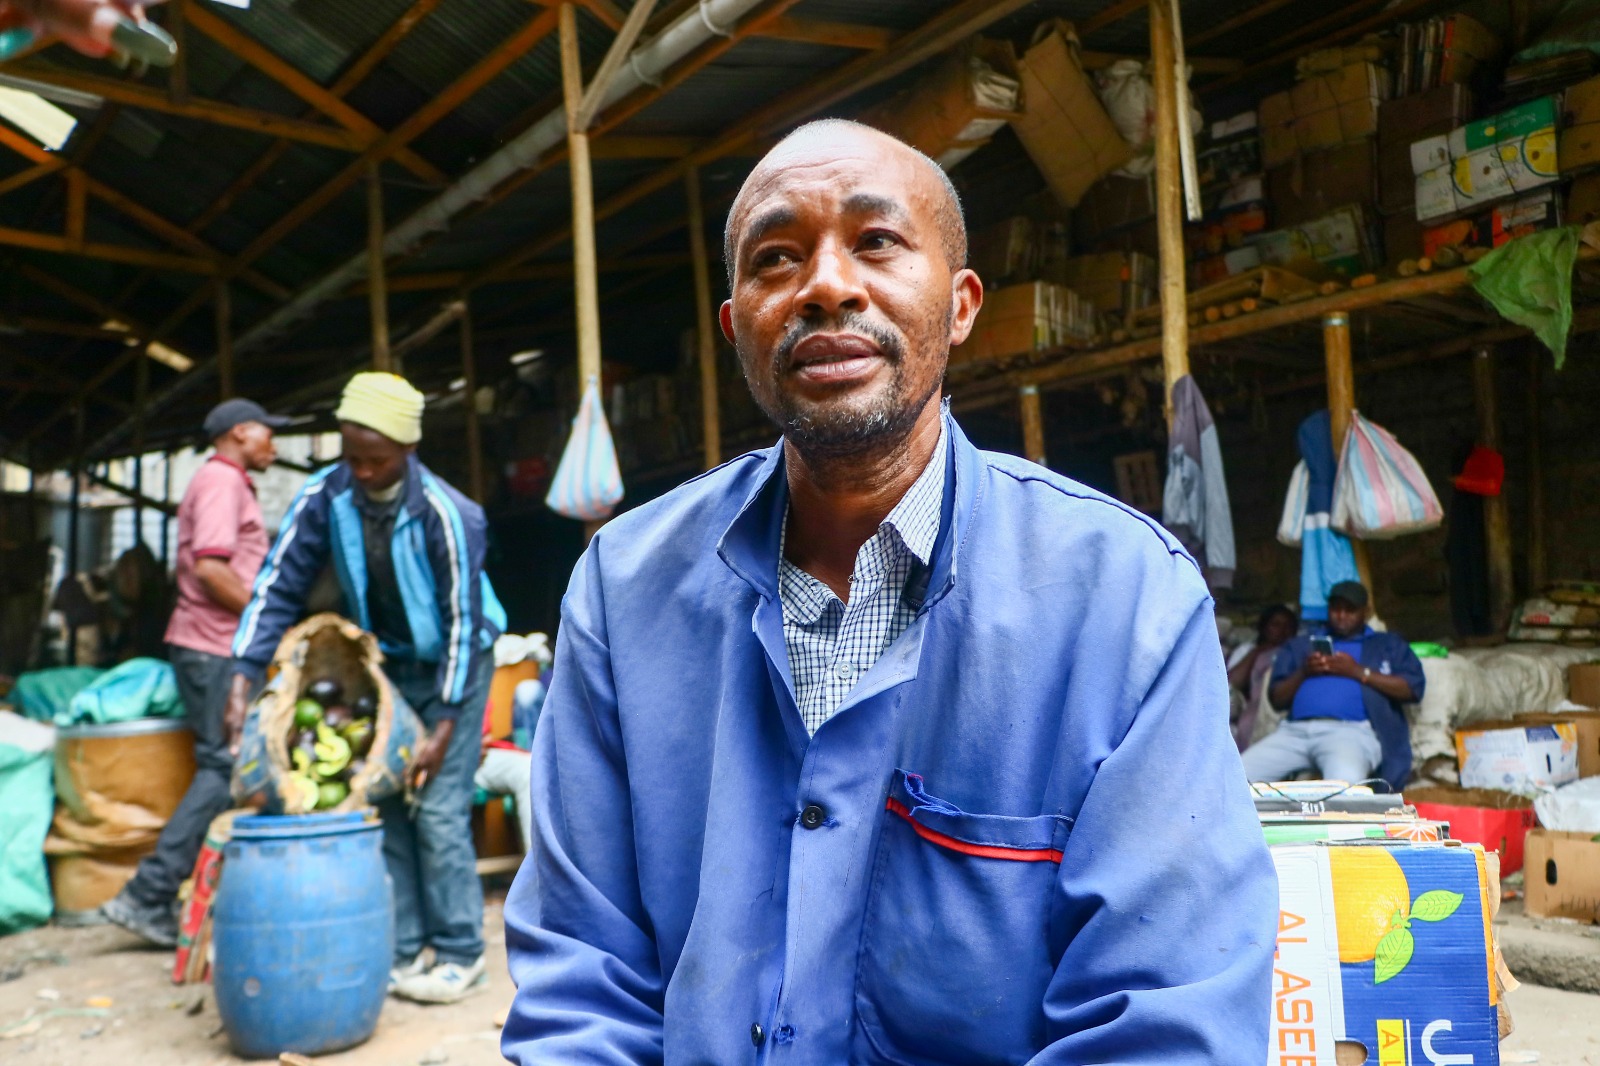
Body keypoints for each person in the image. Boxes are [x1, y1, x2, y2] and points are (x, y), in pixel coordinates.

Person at [502, 120, 1276, 1064]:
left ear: (959, 307)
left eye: (876, 242)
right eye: (776, 258)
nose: (825, 285)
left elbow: (1162, 1020)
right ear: (736, 324)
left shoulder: (1128, 601)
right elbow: (582, 977)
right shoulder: (625, 591)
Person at [223, 372, 504, 1005]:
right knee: (385, 800)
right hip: (389, 665)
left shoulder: (448, 514)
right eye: (353, 458)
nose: (364, 472)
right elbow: (277, 585)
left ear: (407, 450)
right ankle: (404, 950)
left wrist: (444, 724)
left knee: (436, 807)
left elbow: (464, 620)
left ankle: (460, 954)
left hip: (456, 667)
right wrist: (243, 673)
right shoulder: (325, 495)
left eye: (376, 460)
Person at [102, 398, 288, 946]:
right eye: (266, 432)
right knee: (223, 766)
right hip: (215, 648)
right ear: (238, 433)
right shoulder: (221, 483)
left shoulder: (227, 482)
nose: (273, 444)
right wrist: (264, 621)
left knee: (229, 764)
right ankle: (147, 894)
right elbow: (210, 568)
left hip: (215, 645)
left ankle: (186, 890)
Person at [1243, 580, 1426, 789]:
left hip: (1350, 733)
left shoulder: (1385, 644)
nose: (1341, 616)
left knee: (1344, 789)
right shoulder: (1302, 644)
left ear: (1365, 612)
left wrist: (1357, 671)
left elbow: (1413, 688)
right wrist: (1304, 671)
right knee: (1234, 778)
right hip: (1293, 733)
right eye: (1336, 608)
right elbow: (1277, 699)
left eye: (1350, 610)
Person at [1226, 604, 1298, 751]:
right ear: (1264, 627)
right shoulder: (1247, 650)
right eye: (1276, 625)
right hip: (1254, 713)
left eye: (1288, 626)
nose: (1282, 631)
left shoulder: (1297, 654)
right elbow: (1231, 683)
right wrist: (1259, 652)